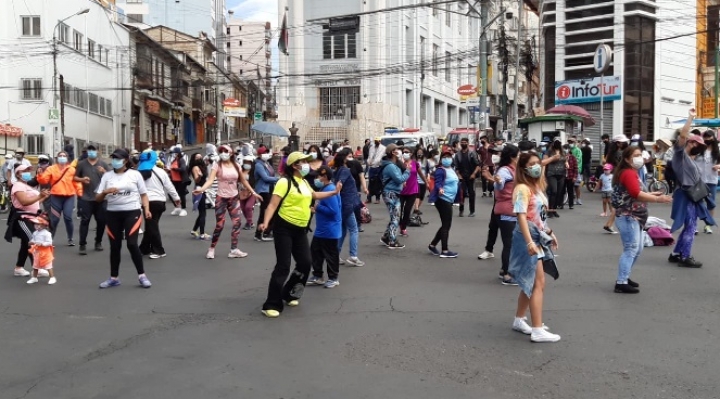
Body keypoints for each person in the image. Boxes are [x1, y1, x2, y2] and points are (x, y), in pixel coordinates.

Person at [258, 152, 341, 318]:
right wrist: (266, 222)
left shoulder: (303, 182)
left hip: (301, 228)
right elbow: (273, 205)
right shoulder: (284, 182)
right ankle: (271, 304)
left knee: (305, 263)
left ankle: (289, 293)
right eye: (303, 162)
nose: (307, 165)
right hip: (284, 228)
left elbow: (314, 195)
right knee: (283, 265)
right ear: (294, 165)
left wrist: (333, 192)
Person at [508, 152, 561, 343]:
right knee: (538, 283)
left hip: (537, 236)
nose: (537, 166)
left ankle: (519, 319)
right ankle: (537, 329)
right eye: (532, 164)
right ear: (523, 168)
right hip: (527, 238)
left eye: (538, 162)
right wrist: (530, 241)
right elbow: (521, 216)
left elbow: (539, 216)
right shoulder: (522, 188)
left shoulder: (536, 187)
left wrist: (549, 231)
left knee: (531, 282)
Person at [612, 146, 673, 293]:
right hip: (629, 217)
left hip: (635, 217)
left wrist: (652, 194)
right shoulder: (628, 173)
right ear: (627, 158)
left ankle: (624, 276)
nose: (640, 158)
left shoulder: (632, 172)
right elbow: (635, 193)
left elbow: (634, 192)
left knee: (637, 248)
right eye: (636, 155)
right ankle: (621, 281)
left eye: (640, 154)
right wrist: (658, 199)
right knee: (631, 248)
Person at [95, 149, 153, 289]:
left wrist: (146, 209)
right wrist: (105, 192)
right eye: (113, 158)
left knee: (132, 244)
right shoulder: (107, 176)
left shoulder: (135, 175)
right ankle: (114, 278)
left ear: (125, 160)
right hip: (112, 213)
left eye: (118, 158)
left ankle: (142, 276)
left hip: (131, 211)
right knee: (115, 246)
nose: (115, 160)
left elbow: (143, 194)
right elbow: (97, 198)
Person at [193, 145, 263, 259]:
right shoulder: (217, 165)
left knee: (237, 223)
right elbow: (210, 180)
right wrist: (201, 189)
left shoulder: (236, 166)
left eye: (226, 151)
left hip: (234, 198)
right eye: (221, 151)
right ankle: (212, 248)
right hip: (221, 198)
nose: (223, 153)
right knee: (220, 225)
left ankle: (234, 249)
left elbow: (243, 181)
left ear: (231, 153)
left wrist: (254, 193)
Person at [668, 109, 715, 268]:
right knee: (691, 226)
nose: (700, 147)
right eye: (698, 144)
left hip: (691, 195)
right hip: (686, 194)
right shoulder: (679, 155)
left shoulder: (691, 159)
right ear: (691, 142)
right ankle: (685, 256)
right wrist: (690, 117)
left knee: (690, 225)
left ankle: (676, 253)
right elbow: (682, 135)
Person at [8, 165, 49, 277]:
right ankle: (38, 268)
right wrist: (39, 195)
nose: (27, 172)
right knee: (32, 240)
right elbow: (24, 202)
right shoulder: (18, 186)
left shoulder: (27, 186)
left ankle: (19, 268)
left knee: (25, 243)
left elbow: (34, 203)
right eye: (24, 171)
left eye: (28, 171)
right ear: (17, 174)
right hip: (22, 218)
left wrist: (43, 197)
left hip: (32, 218)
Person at [36, 151, 82, 246]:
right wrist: (40, 175)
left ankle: (70, 238)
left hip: (68, 197)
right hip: (56, 197)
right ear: (57, 158)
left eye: (64, 156)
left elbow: (76, 182)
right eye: (60, 156)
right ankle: (50, 238)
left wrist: (80, 192)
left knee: (68, 217)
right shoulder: (51, 169)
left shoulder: (72, 169)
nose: (62, 157)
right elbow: (44, 180)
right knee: (54, 220)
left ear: (67, 158)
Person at [307, 166, 343, 288]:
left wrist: (318, 208)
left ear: (325, 177)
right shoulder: (326, 188)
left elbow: (334, 211)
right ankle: (318, 276)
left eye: (318, 176)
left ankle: (333, 278)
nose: (316, 179)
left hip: (330, 230)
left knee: (330, 255)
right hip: (322, 229)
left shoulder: (331, 190)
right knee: (315, 252)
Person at [139, 161, 181, 259]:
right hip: (160, 202)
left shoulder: (139, 173)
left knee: (152, 226)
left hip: (148, 202)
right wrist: (176, 198)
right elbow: (169, 186)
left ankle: (159, 250)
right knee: (151, 225)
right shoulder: (161, 172)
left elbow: (137, 189)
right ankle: (144, 248)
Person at [492, 144, 520, 285]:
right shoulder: (504, 170)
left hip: (511, 210)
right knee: (509, 243)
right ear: (512, 157)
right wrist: (498, 181)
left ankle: (504, 270)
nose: (519, 157)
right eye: (518, 155)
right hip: (505, 211)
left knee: (510, 242)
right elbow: (499, 184)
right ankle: (508, 274)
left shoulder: (514, 169)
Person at [73, 145, 109, 254]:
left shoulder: (103, 164)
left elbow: (112, 178)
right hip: (86, 198)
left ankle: (98, 242)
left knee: (101, 221)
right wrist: (82, 179)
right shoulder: (81, 164)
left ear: (98, 151)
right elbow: (74, 177)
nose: (91, 152)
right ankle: (82, 244)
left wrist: (104, 172)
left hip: (101, 197)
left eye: (94, 150)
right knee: (85, 221)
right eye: (89, 150)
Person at [332, 149, 365, 266]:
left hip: (344, 203)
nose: (352, 158)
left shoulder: (338, 170)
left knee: (343, 229)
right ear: (345, 158)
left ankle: (335, 254)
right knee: (354, 229)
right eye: (350, 156)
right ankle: (353, 256)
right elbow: (339, 185)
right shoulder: (345, 170)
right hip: (348, 204)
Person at [427, 151, 460, 258]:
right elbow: (438, 182)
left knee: (446, 224)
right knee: (446, 224)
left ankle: (432, 245)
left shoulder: (451, 169)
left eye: (449, 157)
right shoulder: (440, 170)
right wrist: (440, 188)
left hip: (449, 199)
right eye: (445, 157)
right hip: (442, 199)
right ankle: (444, 250)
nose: (447, 159)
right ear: (441, 159)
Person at [380, 144, 411, 249]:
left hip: (392, 192)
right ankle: (392, 240)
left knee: (395, 216)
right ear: (393, 152)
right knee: (395, 217)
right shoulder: (390, 166)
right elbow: (399, 179)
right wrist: (407, 171)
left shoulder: (393, 165)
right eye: (397, 149)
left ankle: (386, 236)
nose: (400, 151)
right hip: (391, 193)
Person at [254, 147, 279, 242]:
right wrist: (278, 179)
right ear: (260, 155)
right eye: (265, 153)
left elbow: (272, 175)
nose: (267, 154)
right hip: (263, 190)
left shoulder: (267, 163)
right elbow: (265, 178)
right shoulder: (258, 165)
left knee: (270, 210)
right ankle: (260, 233)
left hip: (270, 189)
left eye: (268, 152)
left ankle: (266, 231)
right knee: (264, 212)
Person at [453, 137, 481, 217]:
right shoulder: (457, 155)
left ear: (468, 143)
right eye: (462, 142)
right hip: (462, 177)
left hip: (471, 177)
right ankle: (461, 210)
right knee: (462, 194)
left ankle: (472, 211)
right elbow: (456, 167)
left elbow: (478, 165)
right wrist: (459, 175)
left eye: (465, 142)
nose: (463, 143)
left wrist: (474, 174)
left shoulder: (472, 153)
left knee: (472, 194)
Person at [26, 214, 57, 285]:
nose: (37, 226)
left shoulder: (47, 233)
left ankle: (52, 277)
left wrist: (42, 244)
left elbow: (49, 242)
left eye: (39, 224)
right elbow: (33, 239)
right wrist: (31, 242)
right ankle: (34, 277)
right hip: (37, 251)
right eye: (36, 224)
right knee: (35, 265)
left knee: (48, 265)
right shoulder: (35, 233)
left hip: (45, 252)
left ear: (44, 225)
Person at [700, 130, 720, 234]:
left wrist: (718, 166)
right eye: (705, 137)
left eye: (709, 137)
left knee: (711, 203)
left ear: (713, 138)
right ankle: (692, 225)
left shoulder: (718, 149)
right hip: (700, 180)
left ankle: (708, 225)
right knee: (697, 202)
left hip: (712, 180)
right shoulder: (701, 149)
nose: (707, 139)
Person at [188, 153, 210, 240]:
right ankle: (202, 234)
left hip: (203, 189)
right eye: (197, 157)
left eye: (200, 156)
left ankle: (194, 230)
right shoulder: (195, 168)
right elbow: (197, 180)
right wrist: (199, 177)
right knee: (203, 213)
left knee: (202, 212)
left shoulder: (202, 166)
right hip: (199, 190)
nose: (199, 158)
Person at [542, 140, 566, 218]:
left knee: (559, 193)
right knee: (554, 191)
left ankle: (554, 210)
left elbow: (565, 160)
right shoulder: (549, 152)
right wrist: (553, 158)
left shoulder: (563, 152)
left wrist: (567, 164)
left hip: (561, 174)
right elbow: (544, 162)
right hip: (551, 174)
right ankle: (550, 211)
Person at [168, 147, 189, 216]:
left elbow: (183, 168)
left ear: (178, 153)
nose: (174, 154)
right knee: (171, 194)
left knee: (181, 195)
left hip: (181, 180)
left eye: (175, 153)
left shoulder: (181, 160)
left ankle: (183, 209)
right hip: (174, 180)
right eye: (174, 153)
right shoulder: (174, 160)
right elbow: (171, 168)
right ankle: (177, 207)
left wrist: (175, 169)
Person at [366, 137, 386, 204]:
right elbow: (370, 156)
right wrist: (369, 162)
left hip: (378, 167)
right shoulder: (372, 147)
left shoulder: (383, 148)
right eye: (376, 141)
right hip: (371, 167)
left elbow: (379, 158)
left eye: (378, 141)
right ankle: (369, 198)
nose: (377, 142)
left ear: (380, 141)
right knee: (371, 183)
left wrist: (373, 162)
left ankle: (377, 198)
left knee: (378, 183)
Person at [239, 155, 256, 230]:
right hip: (242, 192)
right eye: (245, 162)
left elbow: (255, 181)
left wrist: (251, 190)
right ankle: (250, 222)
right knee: (243, 208)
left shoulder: (254, 172)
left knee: (248, 207)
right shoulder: (240, 170)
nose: (247, 164)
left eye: (249, 162)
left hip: (252, 191)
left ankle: (249, 222)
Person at [414, 147, 431, 215]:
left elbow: (427, 171)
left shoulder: (425, 161)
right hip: (415, 180)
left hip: (423, 180)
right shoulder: (413, 161)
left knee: (421, 196)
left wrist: (427, 179)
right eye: (418, 152)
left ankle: (416, 208)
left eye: (421, 152)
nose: (419, 154)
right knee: (417, 195)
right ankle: (416, 208)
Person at [567, 137, 583, 206]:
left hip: (576, 169)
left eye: (572, 142)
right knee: (569, 186)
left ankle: (578, 199)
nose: (570, 143)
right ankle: (571, 199)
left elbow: (578, 159)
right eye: (569, 142)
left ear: (575, 143)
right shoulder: (567, 150)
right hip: (568, 170)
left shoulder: (577, 150)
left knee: (576, 185)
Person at [564, 144, 579, 210]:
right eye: (564, 148)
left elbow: (576, 168)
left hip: (570, 176)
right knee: (562, 190)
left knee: (570, 191)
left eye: (567, 148)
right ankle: (560, 204)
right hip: (563, 176)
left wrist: (575, 177)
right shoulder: (562, 157)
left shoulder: (573, 158)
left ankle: (571, 204)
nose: (566, 150)